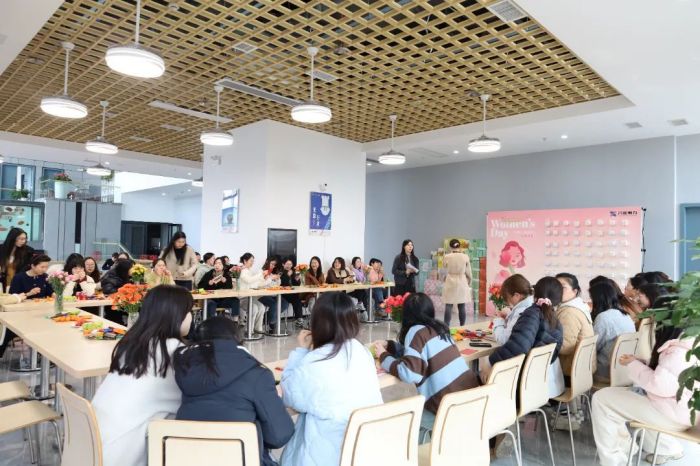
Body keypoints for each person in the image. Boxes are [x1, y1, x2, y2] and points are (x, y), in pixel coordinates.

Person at [92, 285, 192, 466]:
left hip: (93, 444)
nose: (191, 316)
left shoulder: (131, 343)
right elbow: (191, 401)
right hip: (123, 454)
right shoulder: (174, 351)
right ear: (176, 315)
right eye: (189, 311)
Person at [174, 316, 294, 466]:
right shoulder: (257, 375)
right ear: (238, 339)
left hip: (188, 458)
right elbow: (279, 436)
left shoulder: (182, 371)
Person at [280, 292, 382, 466]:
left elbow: (288, 395)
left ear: (318, 324)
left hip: (327, 454)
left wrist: (301, 351)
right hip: (364, 451)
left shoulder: (316, 361)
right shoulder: (362, 351)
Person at [374, 293, 478, 437]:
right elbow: (419, 353)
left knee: (402, 422)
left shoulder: (415, 331)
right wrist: (391, 346)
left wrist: (384, 356)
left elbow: (410, 374)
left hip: (447, 408)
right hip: (471, 401)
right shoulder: (440, 328)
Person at [592, 322, 696, 465]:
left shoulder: (679, 350)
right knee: (611, 399)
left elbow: (660, 385)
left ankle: (616, 460)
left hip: (670, 413)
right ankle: (626, 449)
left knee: (601, 399)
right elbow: (668, 374)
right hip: (679, 410)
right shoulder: (688, 342)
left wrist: (634, 365)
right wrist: (640, 362)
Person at [484, 276, 565, 397]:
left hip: (526, 386)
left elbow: (517, 348)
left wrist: (491, 361)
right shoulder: (555, 319)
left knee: (485, 367)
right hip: (544, 383)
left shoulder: (532, 313)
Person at [590, 280, 636, 382]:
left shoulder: (603, 317)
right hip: (623, 369)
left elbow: (593, 347)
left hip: (605, 370)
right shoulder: (625, 315)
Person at [555, 273, 594, 381]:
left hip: (570, 372)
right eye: (556, 287)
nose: (558, 290)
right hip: (581, 368)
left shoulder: (569, 312)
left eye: (563, 287)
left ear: (575, 291)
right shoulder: (579, 305)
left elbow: (565, 348)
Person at [492, 274, 534, 345]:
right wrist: (508, 317)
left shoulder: (520, 312)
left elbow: (503, 340)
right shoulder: (532, 305)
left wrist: (498, 319)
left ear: (517, 296)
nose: (507, 302)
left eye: (507, 298)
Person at [441, 239, 473, 327]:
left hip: (450, 281)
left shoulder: (447, 256)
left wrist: (443, 279)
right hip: (462, 281)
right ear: (459, 246)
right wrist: (469, 281)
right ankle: (462, 326)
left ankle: (446, 326)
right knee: (461, 305)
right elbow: (469, 272)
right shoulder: (465, 257)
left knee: (448, 304)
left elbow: (443, 271)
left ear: (450, 246)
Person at [239, 253, 270, 333]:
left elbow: (256, 283)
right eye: (251, 261)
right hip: (242, 298)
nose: (252, 263)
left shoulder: (249, 271)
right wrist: (261, 274)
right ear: (245, 261)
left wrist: (267, 279)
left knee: (262, 307)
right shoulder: (242, 270)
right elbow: (249, 280)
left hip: (251, 297)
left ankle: (258, 328)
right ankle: (249, 329)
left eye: (253, 261)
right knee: (254, 308)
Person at [0, 227, 34, 292]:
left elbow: (27, 268)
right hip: (3, 283)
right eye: (21, 239)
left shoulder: (28, 251)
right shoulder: (1, 249)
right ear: (13, 238)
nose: (23, 241)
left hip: (19, 284)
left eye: (25, 239)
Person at [101, 259, 133, 323]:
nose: (133, 270)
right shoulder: (111, 276)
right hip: (112, 304)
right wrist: (125, 292)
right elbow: (108, 291)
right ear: (125, 269)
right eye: (131, 269)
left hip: (123, 302)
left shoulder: (125, 275)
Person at [280, 257, 304, 327]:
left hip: (292, 294)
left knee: (297, 299)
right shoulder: (280, 272)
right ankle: (299, 318)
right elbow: (282, 284)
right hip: (283, 294)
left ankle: (299, 319)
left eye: (290, 264)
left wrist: (297, 279)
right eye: (287, 264)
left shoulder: (293, 272)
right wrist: (288, 276)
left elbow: (297, 285)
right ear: (283, 264)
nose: (289, 266)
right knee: (296, 298)